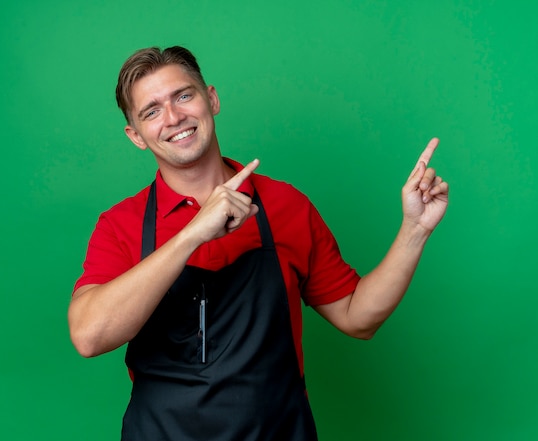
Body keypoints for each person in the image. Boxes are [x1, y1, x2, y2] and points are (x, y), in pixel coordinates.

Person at [68, 46, 449, 440]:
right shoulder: (119, 225)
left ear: (211, 99)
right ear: (136, 136)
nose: (174, 117)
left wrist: (415, 229)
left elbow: (358, 317)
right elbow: (89, 336)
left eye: (183, 95)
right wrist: (193, 233)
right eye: (151, 111)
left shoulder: (286, 205)